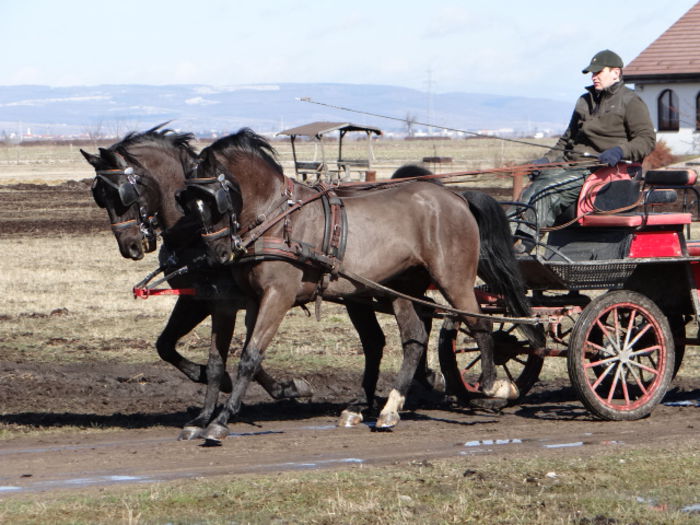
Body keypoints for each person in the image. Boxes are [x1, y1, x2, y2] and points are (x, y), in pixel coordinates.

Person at [512, 49, 656, 252]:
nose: (594, 77)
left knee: (546, 189)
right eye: (592, 73)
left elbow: (646, 140)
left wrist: (619, 151)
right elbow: (566, 141)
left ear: (616, 72)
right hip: (572, 166)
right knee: (531, 187)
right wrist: (546, 161)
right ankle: (505, 237)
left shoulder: (631, 102)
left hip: (602, 171)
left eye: (599, 72)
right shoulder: (584, 101)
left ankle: (525, 241)